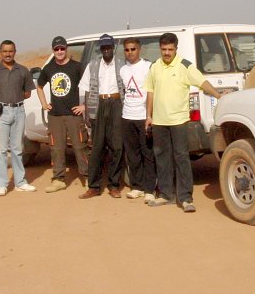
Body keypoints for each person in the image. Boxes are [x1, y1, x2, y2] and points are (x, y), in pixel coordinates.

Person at [144, 33, 221, 213]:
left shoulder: (185, 66)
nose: (167, 53)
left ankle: (185, 198)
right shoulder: (155, 67)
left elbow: (202, 82)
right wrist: (149, 115)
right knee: (162, 159)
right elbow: (150, 92)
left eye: (170, 49)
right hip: (159, 122)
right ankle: (166, 195)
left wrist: (218, 95)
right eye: (164, 49)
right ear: (160, 49)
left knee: (181, 158)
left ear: (176, 49)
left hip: (179, 121)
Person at [0, 40, 37, 196]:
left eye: (10, 51)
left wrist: (16, 96)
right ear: (0, 52)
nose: (8, 54)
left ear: (15, 52)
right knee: (0, 150)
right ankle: (1, 183)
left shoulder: (23, 71)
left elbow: (28, 93)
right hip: (1, 113)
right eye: (5, 51)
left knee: (18, 148)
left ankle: (20, 182)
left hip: (19, 111)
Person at [36, 36, 89, 193]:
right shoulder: (49, 69)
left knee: (80, 146)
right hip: (55, 115)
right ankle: (58, 179)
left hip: (74, 115)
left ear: (66, 49)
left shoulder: (77, 67)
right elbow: (39, 87)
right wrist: (44, 104)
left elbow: (90, 86)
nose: (59, 51)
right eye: (56, 49)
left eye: (62, 48)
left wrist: (84, 106)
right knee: (56, 148)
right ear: (53, 51)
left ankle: (87, 177)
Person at [78, 34, 125, 199]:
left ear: (113, 47)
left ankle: (114, 186)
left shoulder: (121, 64)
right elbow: (85, 88)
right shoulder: (93, 65)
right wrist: (86, 111)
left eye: (108, 47)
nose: (106, 50)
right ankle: (94, 186)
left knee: (117, 147)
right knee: (97, 148)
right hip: (98, 105)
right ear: (100, 49)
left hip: (116, 104)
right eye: (103, 47)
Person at [119, 38, 156, 203]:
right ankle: (137, 187)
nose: (130, 52)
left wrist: (150, 115)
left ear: (139, 49)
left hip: (143, 116)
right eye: (127, 50)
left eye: (133, 49)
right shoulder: (122, 70)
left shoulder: (148, 67)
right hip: (127, 116)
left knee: (147, 153)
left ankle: (150, 189)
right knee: (132, 154)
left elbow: (151, 92)